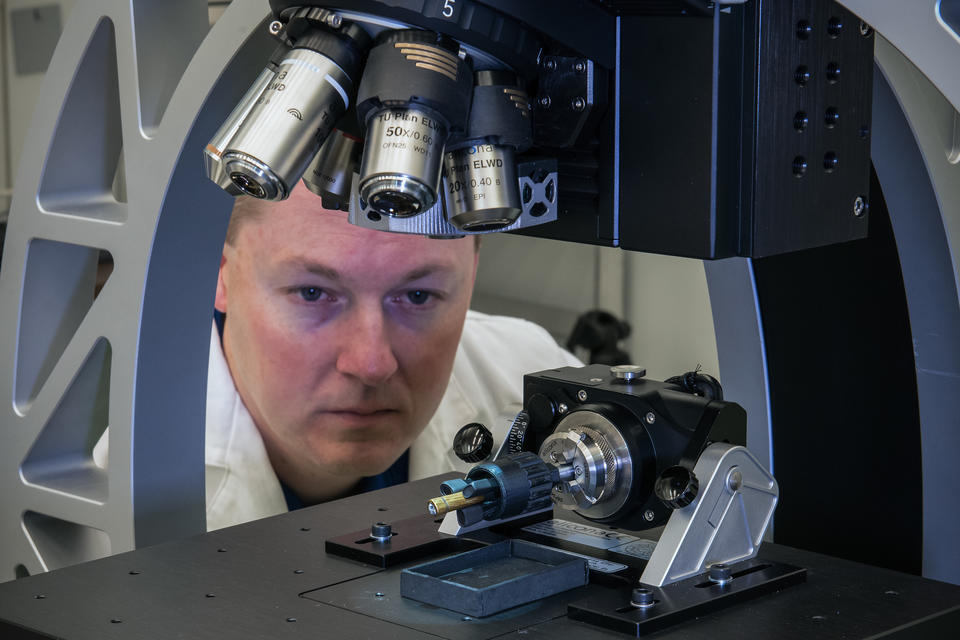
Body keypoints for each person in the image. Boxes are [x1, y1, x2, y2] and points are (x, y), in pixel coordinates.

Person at [204, 184, 581, 530]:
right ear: (219, 274)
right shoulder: (148, 458)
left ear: (471, 277)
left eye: (418, 296)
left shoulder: (532, 378)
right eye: (312, 293)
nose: (371, 364)